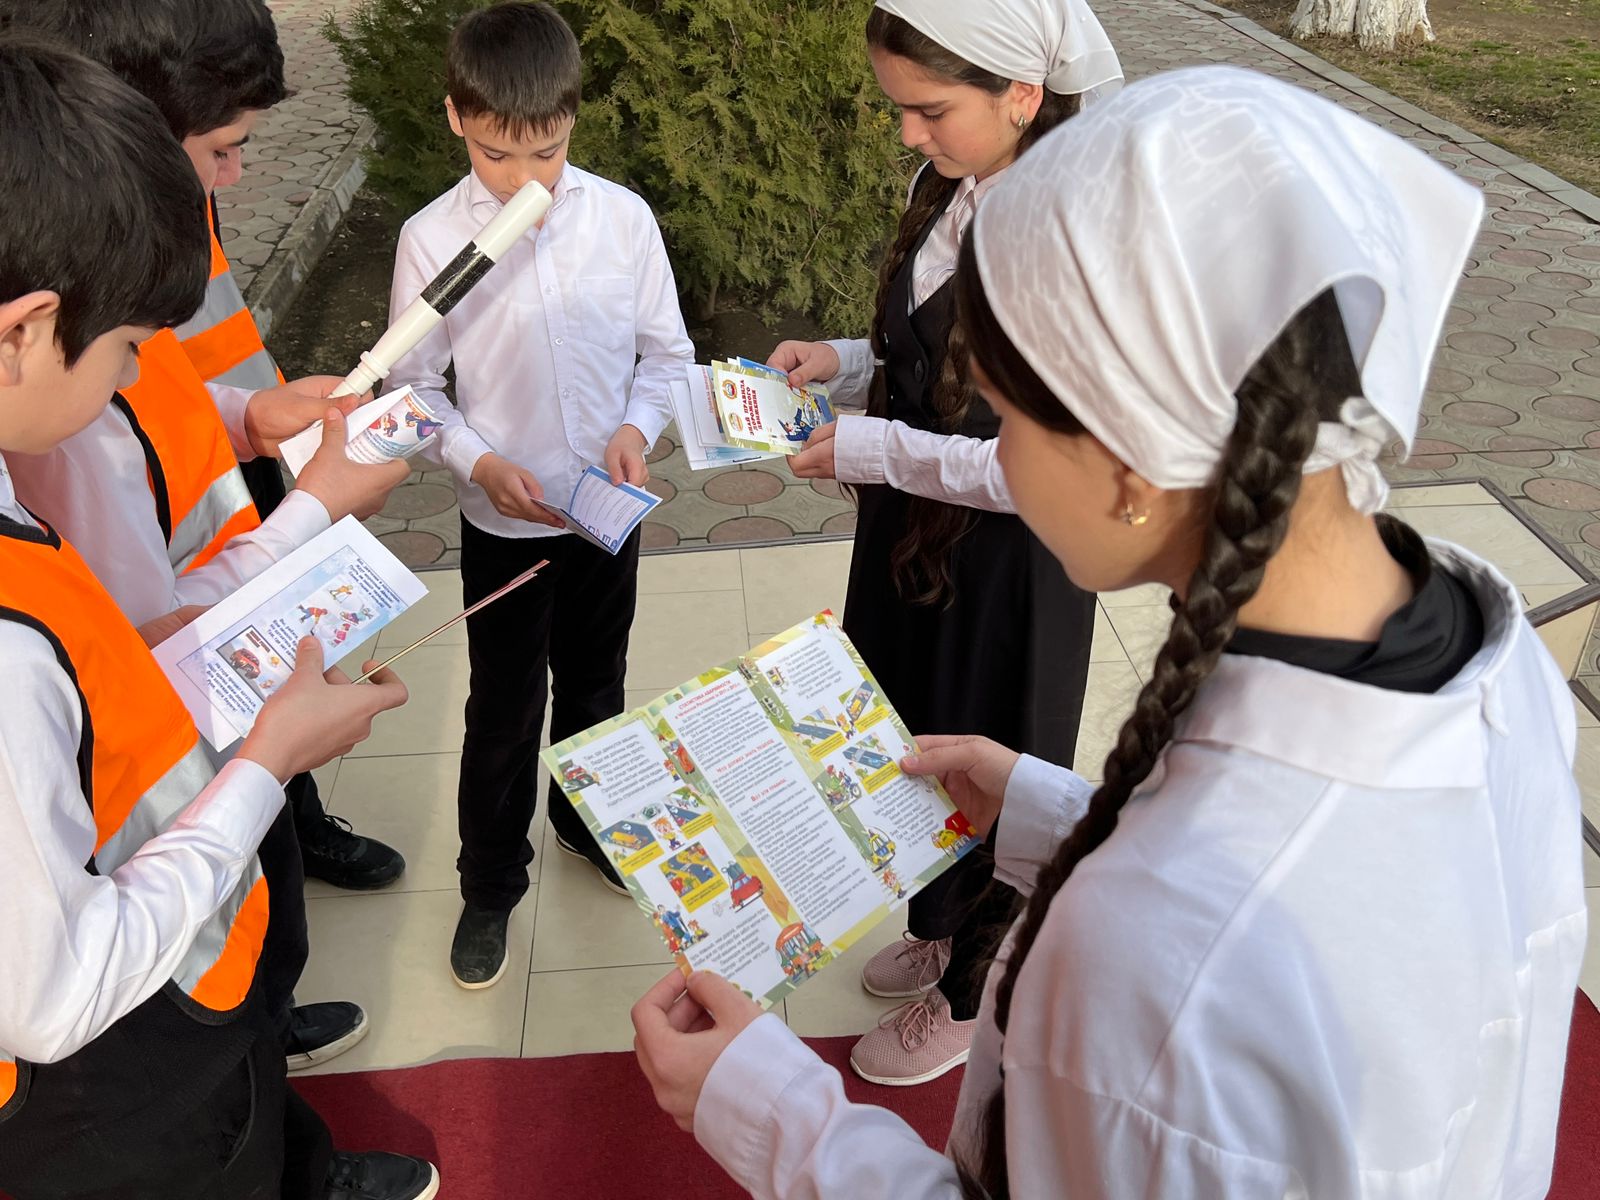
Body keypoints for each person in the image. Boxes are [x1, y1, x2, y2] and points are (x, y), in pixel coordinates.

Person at [631, 66, 1588, 1197]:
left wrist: (764, 1103)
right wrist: (1054, 810)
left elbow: (1198, 942)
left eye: (1003, 417)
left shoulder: (1146, 954)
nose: (997, 460)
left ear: (1130, 467)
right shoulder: (1487, 644)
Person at [0, 36, 435, 1200]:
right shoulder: (7, 643)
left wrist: (247, 430)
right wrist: (265, 765)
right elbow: (53, 996)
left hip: (173, 934)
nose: (136, 376)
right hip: (115, 1073)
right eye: (129, 350)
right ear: (24, 331)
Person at [763, 0, 1119, 1086]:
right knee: (913, 727)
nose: (909, 134)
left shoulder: (1069, 238)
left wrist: (874, 448)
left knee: (995, 742)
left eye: (929, 110)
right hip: (915, 526)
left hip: (1010, 559)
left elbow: (1038, 467)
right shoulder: (950, 183)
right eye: (900, 110)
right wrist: (840, 361)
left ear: (1022, 94)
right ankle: (942, 917)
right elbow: (934, 350)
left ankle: (978, 985)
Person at [0, 0, 412, 898]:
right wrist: (315, 510)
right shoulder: (50, 416)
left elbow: (148, 402)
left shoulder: (76, 305)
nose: (233, 174)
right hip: (174, 779)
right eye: (221, 147)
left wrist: (248, 416)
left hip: (217, 653)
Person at [385, 1, 694, 989]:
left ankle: (585, 823)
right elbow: (412, 388)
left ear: (572, 120)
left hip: (604, 514)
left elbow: (665, 355)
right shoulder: (432, 240)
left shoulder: (621, 219)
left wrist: (636, 430)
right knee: (505, 711)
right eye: (496, 157)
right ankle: (489, 885)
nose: (525, 181)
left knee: (598, 684)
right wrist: (479, 463)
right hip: (502, 524)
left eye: (548, 155)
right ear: (455, 119)